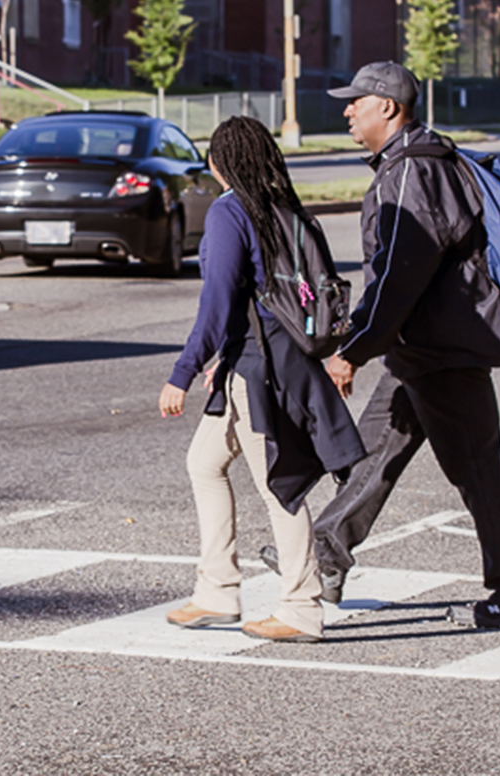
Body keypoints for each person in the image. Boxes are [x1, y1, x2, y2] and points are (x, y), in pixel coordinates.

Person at [310, 61, 500, 630]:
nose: (347, 110)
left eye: (357, 101)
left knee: (477, 470)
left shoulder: (411, 173)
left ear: (388, 107)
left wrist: (354, 348)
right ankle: (325, 554)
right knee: (374, 448)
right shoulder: (419, 162)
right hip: (427, 343)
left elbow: (399, 275)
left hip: (443, 345)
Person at [159, 116, 365, 643]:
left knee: (281, 486)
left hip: (259, 372)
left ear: (219, 161)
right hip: (271, 362)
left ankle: (301, 608)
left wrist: (183, 371)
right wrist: (220, 359)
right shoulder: (283, 208)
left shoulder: (231, 212)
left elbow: (220, 300)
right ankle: (217, 591)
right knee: (204, 463)